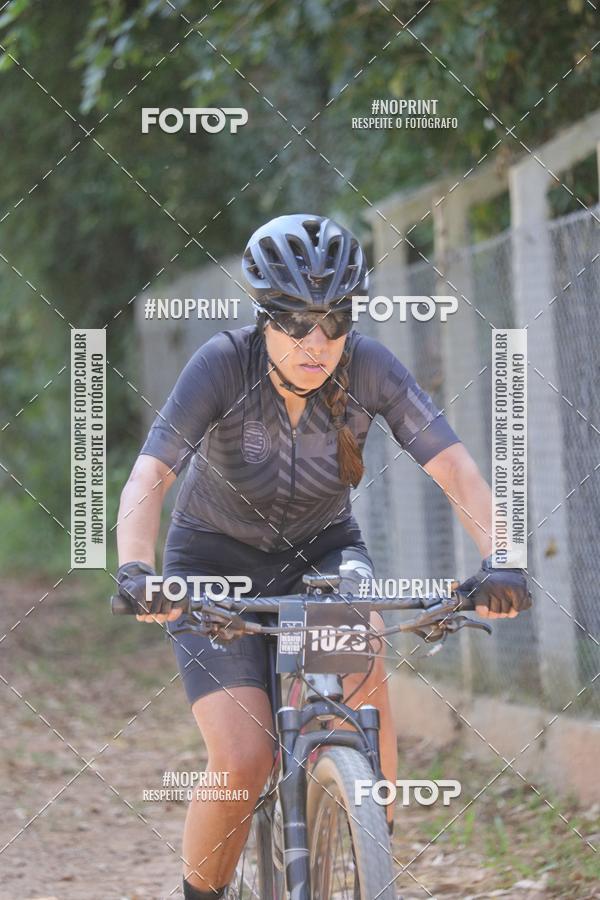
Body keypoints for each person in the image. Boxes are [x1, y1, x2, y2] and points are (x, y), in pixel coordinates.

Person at [115, 214, 530, 899]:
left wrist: (503, 558)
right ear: (264, 319)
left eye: (335, 321)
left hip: (322, 553)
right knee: (243, 758)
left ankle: (370, 854)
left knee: (363, 667)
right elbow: (151, 473)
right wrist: (137, 570)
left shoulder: (369, 367)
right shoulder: (222, 364)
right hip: (211, 562)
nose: (317, 342)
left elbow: (454, 468)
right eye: (296, 322)